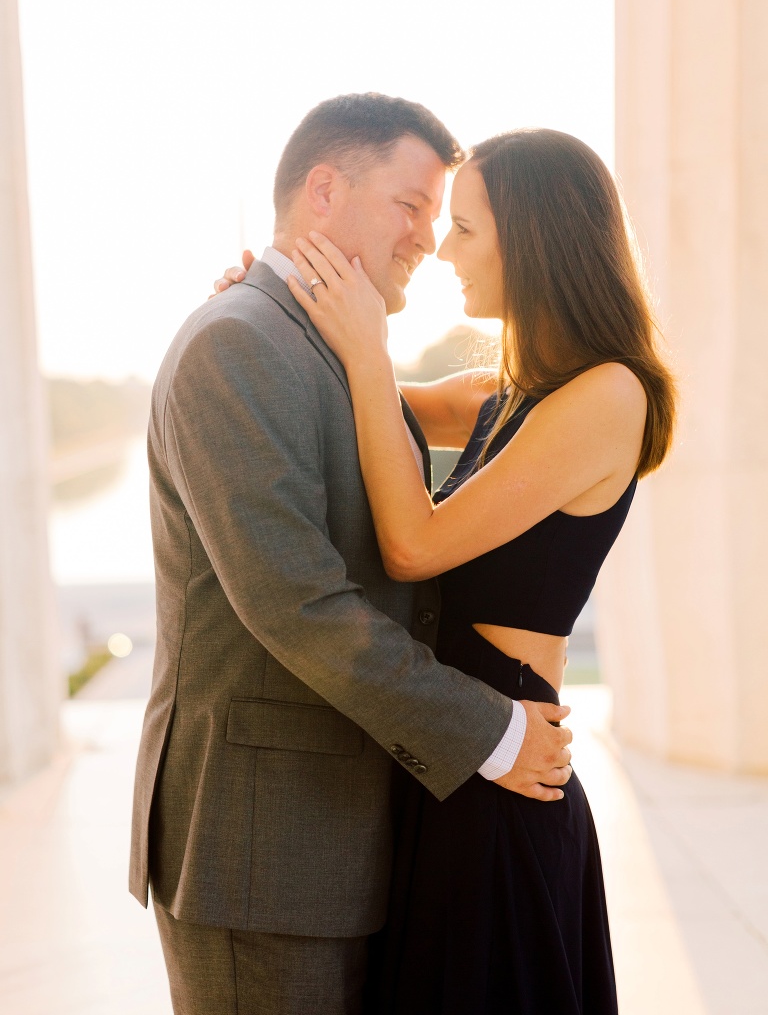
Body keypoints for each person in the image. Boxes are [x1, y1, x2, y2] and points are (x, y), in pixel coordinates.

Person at [129, 94, 573, 1015]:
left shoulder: (326, 343)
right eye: (412, 207)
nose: (427, 238)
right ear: (323, 192)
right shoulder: (238, 345)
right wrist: (491, 731)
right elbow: (300, 606)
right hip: (263, 855)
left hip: (351, 835)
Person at [267, 128, 677, 1012]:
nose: (442, 250)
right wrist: (276, 311)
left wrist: (369, 349)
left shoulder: (609, 395)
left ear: (533, 238)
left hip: (504, 773)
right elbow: (336, 391)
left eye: (465, 229)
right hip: (457, 753)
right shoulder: (509, 390)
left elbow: (416, 542)